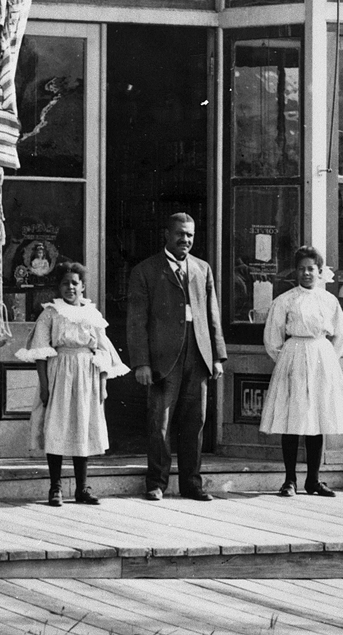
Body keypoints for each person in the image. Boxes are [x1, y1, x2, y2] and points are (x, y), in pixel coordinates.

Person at [125, 211, 225, 502]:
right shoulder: (145, 271)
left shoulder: (202, 269)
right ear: (166, 235)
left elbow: (212, 315)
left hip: (198, 354)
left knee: (196, 422)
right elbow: (136, 321)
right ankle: (156, 483)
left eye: (190, 235)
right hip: (161, 358)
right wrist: (141, 362)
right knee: (160, 423)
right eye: (180, 234)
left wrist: (217, 356)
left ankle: (192, 484)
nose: (186, 240)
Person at [12, 260, 128, 506]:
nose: (70, 288)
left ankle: (82, 488)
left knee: (82, 428)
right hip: (59, 374)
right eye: (65, 283)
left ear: (83, 286)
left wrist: (103, 384)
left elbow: (103, 351)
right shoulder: (51, 313)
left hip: (87, 376)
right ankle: (55, 488)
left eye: (74, 283)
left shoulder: (92, 315)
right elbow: (41, 351)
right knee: (57, 427)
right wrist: (44, 386)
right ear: (59, 287)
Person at [258, 246, 343, 497]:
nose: (306, 273)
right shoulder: (285, 300)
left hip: (321, 358)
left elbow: (340, 335)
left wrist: (327, 359)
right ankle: (289, 480)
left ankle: (313, 480)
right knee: (292, 419)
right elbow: (273, 338)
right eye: (301, 269)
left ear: (320, 272)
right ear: (296, 272)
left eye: (311, 269)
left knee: (316, 419)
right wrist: (288, 360)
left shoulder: (329, 301)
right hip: (294, 359)